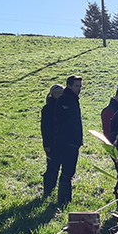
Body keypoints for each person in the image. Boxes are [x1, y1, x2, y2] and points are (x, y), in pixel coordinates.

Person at [53, 75, 83, 207]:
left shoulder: (71, 99)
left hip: (71, 141)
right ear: (69, 86)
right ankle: (64, 200)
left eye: (80, 86)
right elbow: (66, 123)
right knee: (67, 171)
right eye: (77, 86)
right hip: (66, 141)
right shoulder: (66, 100)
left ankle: (65, 199)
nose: (79, 89)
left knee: (69, 171)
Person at [40, 84, 63, 198]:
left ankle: (53, 190)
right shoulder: (48, 108)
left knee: (56, 166)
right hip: (52, 143)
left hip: (61, 141)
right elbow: (45, 128)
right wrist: (47, 144)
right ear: (53, 94)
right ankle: (48, 190)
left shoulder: (62, 106)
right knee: (52, 167)